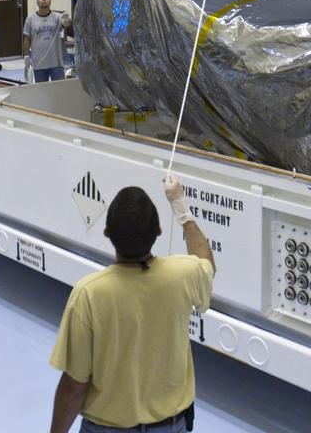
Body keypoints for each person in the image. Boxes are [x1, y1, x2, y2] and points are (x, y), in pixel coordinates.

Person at [50, 173, 215, 433]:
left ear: (107, 233)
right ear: (158, 230)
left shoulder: (90, 294)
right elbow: (206, 262)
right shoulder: (182, 275)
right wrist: (181, 207)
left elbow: (74, 386)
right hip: (172, 426)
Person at [23, 0, 72, 83]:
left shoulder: (58, 17)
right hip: (39, 64)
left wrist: (67, 21)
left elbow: (67, 24)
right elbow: (26, 39)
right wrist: (26, 56)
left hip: (56, 64)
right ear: (37, 2)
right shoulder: (30, 19)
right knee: (42, 90)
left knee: (59, 89)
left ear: (50, 1)